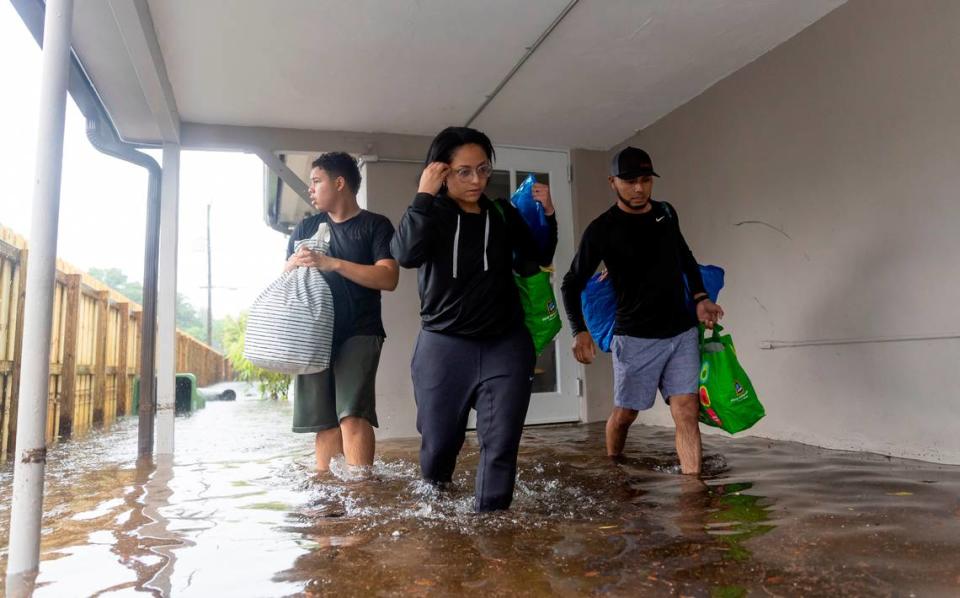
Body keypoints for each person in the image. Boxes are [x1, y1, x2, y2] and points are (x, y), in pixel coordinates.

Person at [391, 126, 557, 511]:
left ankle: (494, 535)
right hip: (443, 346)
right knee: (439, 445)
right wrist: (422, 195)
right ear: (441, 171)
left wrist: (548, 214)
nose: (476, 180)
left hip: (505, 344)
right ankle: (439, 522)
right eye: (464, 171)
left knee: (500, 443)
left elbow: (539, 255)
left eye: (483, 170)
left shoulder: (501, 213)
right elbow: (405, 255)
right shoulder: (428, 212)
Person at [560, 147, 723, 475]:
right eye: (630, 181)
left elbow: (685, 257)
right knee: (626, 415)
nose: (639, 188)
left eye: (645, 180)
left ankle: (693, 494)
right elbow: (571, 282)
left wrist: (701, 297)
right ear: (612, 182)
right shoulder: (602, 230)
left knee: (686, 411)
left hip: (681, 331)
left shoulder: (666, 213)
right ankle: (615, 469)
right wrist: (579, 331)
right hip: (634, 338)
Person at [285, 152, 398, 472]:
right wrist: (294, 263)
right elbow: (285, 276)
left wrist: (331, 263)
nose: (311, 189)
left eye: (316, 181)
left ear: (339, 183)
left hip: (360, 330)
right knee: (324, 422)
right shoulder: (305, 226)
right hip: (315, 334)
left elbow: (388, 278)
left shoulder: (375, 226)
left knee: (351, 414)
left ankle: (361, 492)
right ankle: (328, 501)